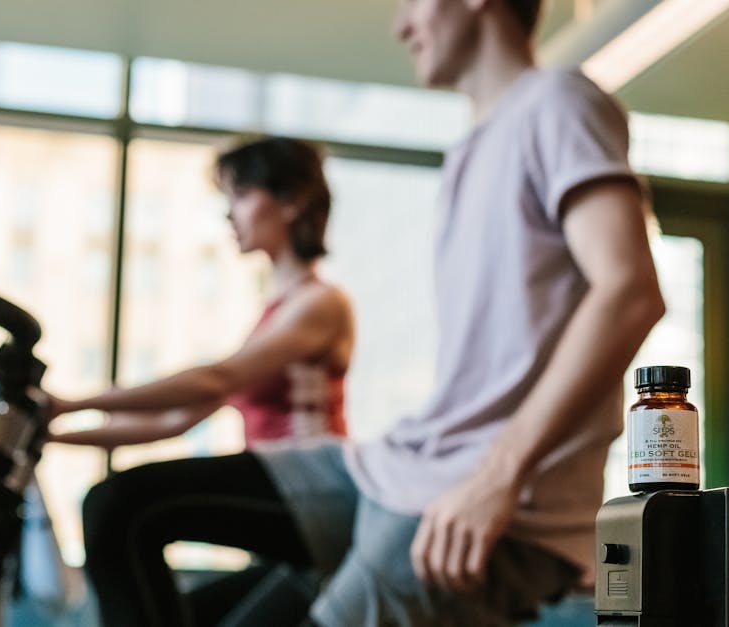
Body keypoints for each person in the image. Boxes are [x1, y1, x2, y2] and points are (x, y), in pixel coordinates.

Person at [53, 0, 666, 624]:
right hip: (398, 466)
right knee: (117, 507)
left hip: (488, 503)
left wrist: (495, 480)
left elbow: (629, 290)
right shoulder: (468, 155)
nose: (401, 26)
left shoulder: (557, 102)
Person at [47, 137, 354, 626]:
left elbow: (215, 381)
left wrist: (70, 402)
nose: (229, 215)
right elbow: (173, 420)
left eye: (241, 194)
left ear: (293, 201)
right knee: (181, 613)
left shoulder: (321, 304)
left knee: (114, 505)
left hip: (320, 488)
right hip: (287, 508)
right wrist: (53, 432)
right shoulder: (273, 317)